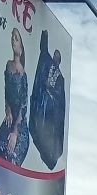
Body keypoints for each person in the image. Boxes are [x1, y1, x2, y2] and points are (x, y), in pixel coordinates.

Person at [30, 29, 65, 169]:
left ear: (59, 60)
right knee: (38, 126)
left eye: (57, 56)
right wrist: (45, 35)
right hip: (41, 104)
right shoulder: (47, 63)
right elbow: (43, 51)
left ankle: (47, 152)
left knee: (46, 130)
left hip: (50, 110)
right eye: (54, 55)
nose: (55, 57)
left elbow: (60, 98)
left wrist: (50, 90)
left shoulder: (60, 77)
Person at [0, 28, 30, 165]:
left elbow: (24, 105)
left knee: (10, 156)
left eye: (16, 39)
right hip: (9, 119)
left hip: (19, 124)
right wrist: (7, 110)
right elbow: (7, 91)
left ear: (21, 46)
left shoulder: (23, 74)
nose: (13, 41)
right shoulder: (8, 65)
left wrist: (15, 132)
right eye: (12, 37)